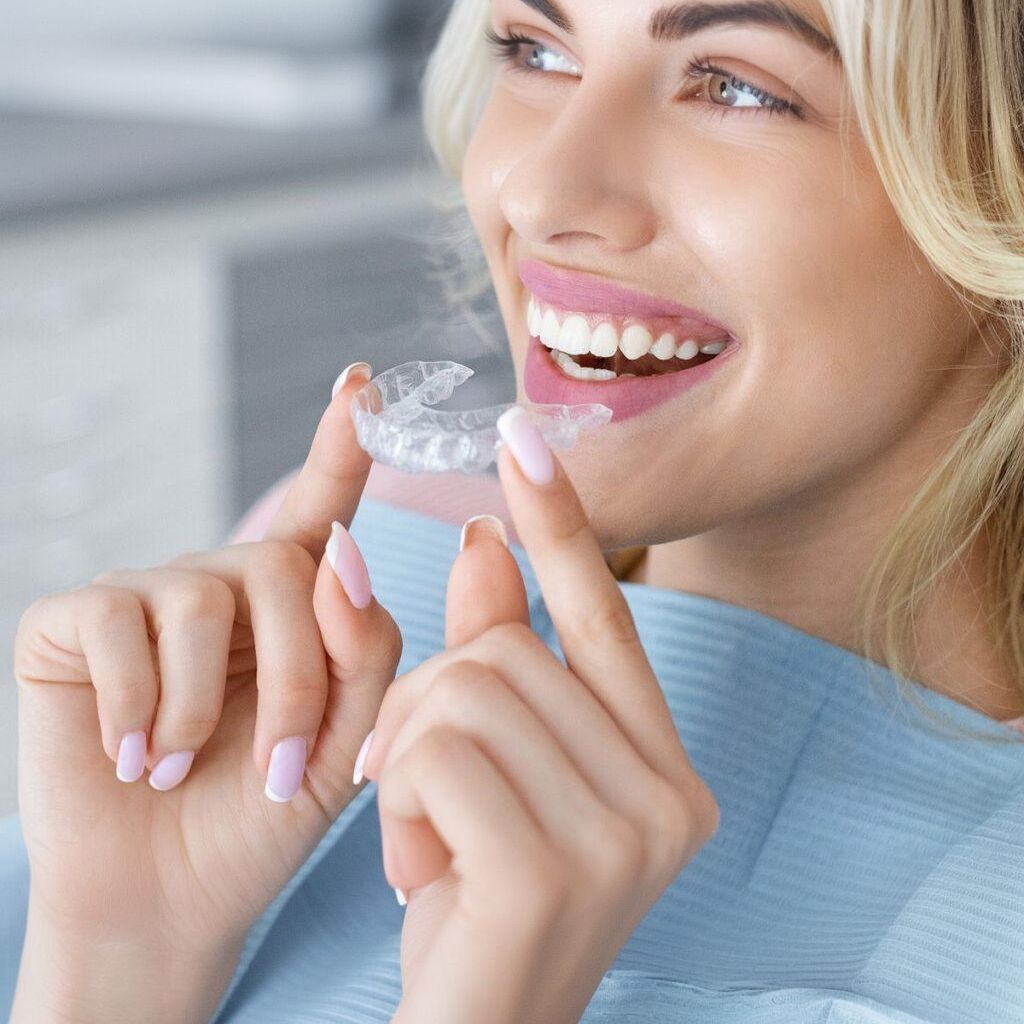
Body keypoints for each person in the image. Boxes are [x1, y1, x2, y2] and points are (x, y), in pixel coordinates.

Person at [3, 0, 1024, 1020]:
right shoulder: (336, 604)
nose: (538, 191)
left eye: (738, 87)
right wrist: (117, 950)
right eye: (535, 49)